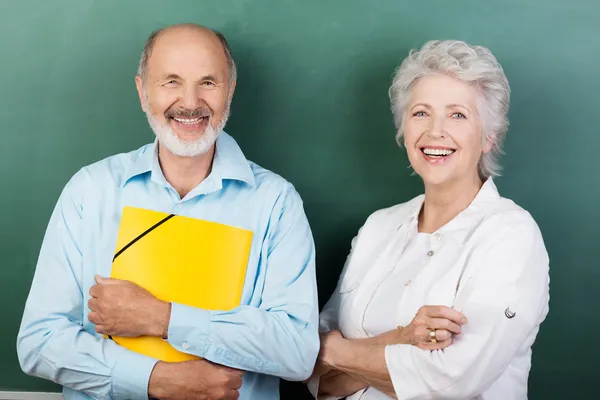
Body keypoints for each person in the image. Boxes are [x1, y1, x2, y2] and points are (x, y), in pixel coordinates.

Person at [16, 23, 319, 400]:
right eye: (171, 81)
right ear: (143, 92)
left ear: (230, 91)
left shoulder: (276, 203)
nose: (190, 102)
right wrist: (154, 379)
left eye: (208, 82)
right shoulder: (90, 191)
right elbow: (39, 341)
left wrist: (163, 318)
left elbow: (297, 352)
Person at [307, 40, 550, 399]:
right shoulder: (378, 228)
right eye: (421, 112)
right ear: (403, 128)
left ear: (489, 137)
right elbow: (317, 379)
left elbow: (449, 384)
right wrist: (401, 340)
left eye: (458, 114)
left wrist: (335, 351)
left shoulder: (512, 235)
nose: (435, 131)